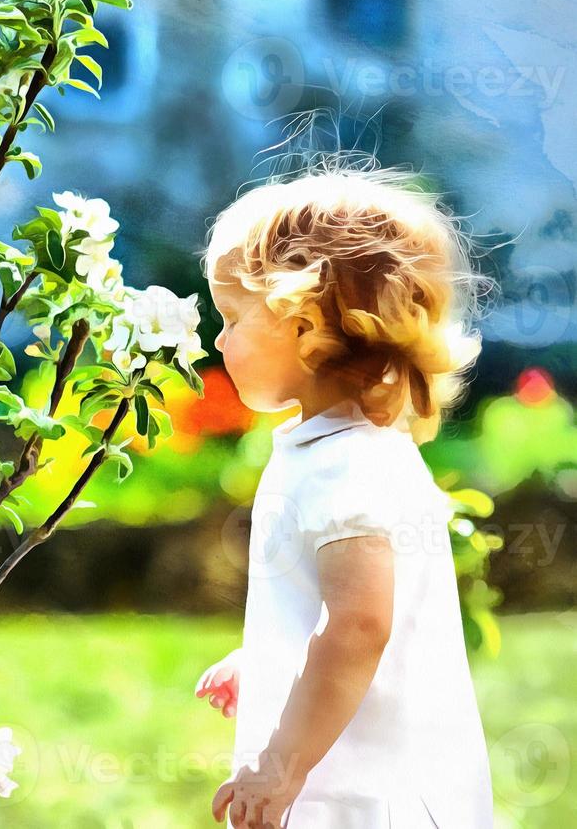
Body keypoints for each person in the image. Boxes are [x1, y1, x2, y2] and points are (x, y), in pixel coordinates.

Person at [194, 160, 496, 828]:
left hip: (365, 802)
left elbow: (359, 626)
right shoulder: (347, 450)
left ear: (303, 321)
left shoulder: (346, 467)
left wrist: (279, 767)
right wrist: (271, 657)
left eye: (232, 316)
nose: (218, 340)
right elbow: (345, 608)